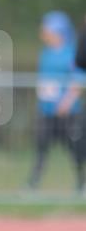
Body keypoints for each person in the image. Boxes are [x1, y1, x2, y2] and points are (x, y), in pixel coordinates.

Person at [27, 11, 85, 194]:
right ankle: (32, 184)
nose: (43, 32)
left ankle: (81, 183)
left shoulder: (71, 53)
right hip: (46, 111)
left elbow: (79, 79)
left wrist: (67, 102)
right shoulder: (46, 53)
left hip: (68, 113)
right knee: (41, 148)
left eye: (47, 29)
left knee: (75, 151)